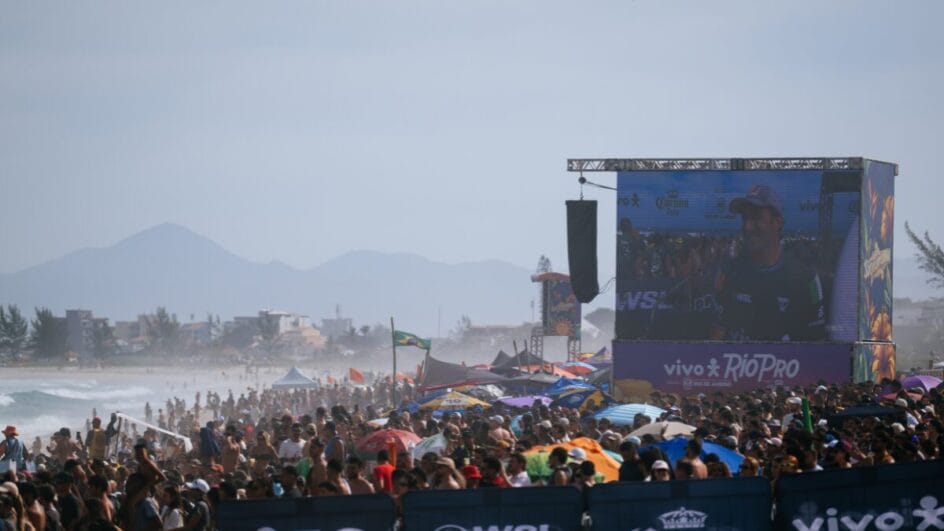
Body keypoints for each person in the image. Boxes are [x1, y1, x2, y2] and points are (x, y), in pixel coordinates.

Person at [711, 185, 826, 341]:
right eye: (745, 218)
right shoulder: (729, 272)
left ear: (777, 223)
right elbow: (715, 338)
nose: (747, 226)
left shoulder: (804, 278)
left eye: (756, 218)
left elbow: (817, 346)